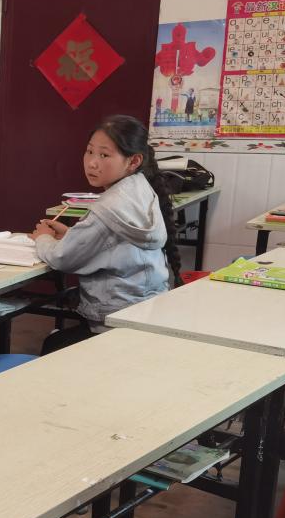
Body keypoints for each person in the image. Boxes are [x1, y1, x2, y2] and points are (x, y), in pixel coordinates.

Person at [32, 115, 180, 355]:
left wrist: (43, 238)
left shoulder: (108, 206)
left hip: (113, 319)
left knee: (53, 345)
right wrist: (72, 234)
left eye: (104, 155)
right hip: (146, 310)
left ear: (133, 161)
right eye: (89, 151)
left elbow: (62, 258)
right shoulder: (140, 188)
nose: (92, 163)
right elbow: (114, 245)